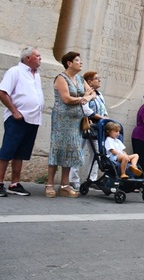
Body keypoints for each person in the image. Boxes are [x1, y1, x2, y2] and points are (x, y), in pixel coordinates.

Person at [46, 51, 96, 198]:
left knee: (71, 150)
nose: (80, 63)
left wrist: (87, 97)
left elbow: (92, 93)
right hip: (62, 120)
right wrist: (83, 98)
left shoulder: (80, 79)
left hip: (75, 121)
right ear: (69, 63)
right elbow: (66, 99)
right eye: (77, 60)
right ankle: (49, 184)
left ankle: (64, 185)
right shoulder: (61, 78)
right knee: (57, 149)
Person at [0, 47, 45, 197]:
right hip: (17, 119)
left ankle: (14, 183)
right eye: (37, 56)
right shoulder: (15, 71)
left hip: (33, 120)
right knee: (7, 152)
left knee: (21, 153)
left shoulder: (36, 75)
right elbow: (2, 92)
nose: (40, 58)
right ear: (28, 58)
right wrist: (14, 111)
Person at [70, 71, 108, 190]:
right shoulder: (85, 93)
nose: (99, 80)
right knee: (79, 151)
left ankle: (92, 179)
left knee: (97, 153)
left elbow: (103, 108)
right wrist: (101, 117)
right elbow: (85, 109)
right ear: (89, 81)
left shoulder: (99, 94)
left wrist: (106, 117)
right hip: (86, 124)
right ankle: (73, 180)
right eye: (96, 78)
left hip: (97, 127)